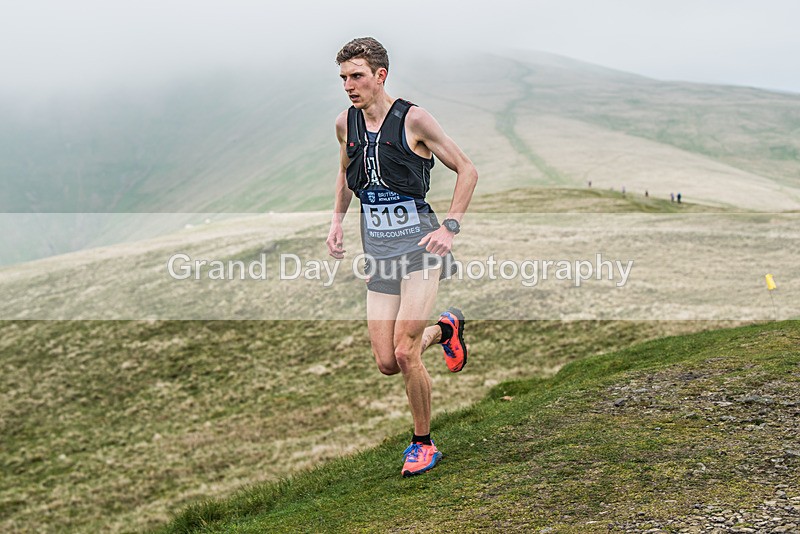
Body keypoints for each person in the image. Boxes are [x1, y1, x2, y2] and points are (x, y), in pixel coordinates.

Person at [326, 37, 478, 477]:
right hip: (378, 252)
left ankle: (423, 444)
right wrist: (336, 223)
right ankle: (446, 329)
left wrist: (450, 227)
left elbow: (467, 169)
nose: (349, 86)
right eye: (343, 78)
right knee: (388, 361)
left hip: (420, 248)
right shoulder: (344, 124)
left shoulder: (414, 120)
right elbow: (343, 174)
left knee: (406, 353)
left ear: (380, 75)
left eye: (356, 76)